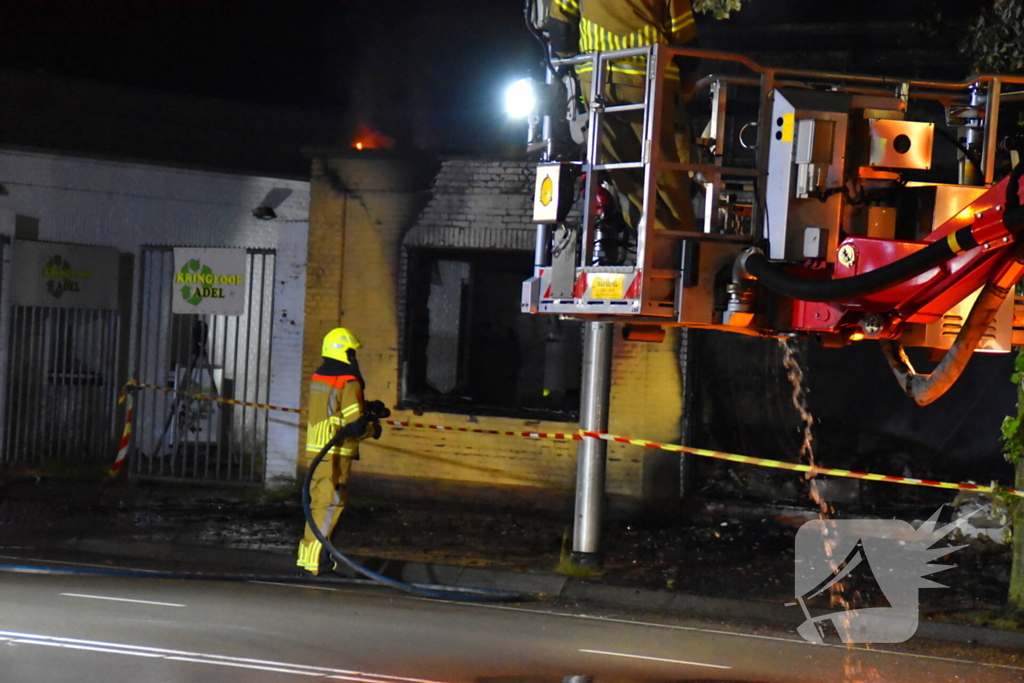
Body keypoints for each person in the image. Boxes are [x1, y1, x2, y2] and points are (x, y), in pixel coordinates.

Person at [547, 0, 700, 237]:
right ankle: (681, 247)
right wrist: (685, 88)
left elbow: (560, 29)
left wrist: (574, 65)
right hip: (651, 80)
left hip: (597, 82)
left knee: (624, 176)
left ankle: (649, 242)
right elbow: (684, 36)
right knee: (664, 172)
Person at [296, 327, 386, 575]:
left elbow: (332, 409)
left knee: (319, 506)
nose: (354, 357)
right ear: (345, 352)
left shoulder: (320, 377)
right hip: (336, 454)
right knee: (330, 505)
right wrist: (373, 429)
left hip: (316, 452)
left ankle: (309, 559)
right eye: (352, 352)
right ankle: (317, 562)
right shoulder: (348, 381)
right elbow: (354, 426)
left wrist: (368, 407)